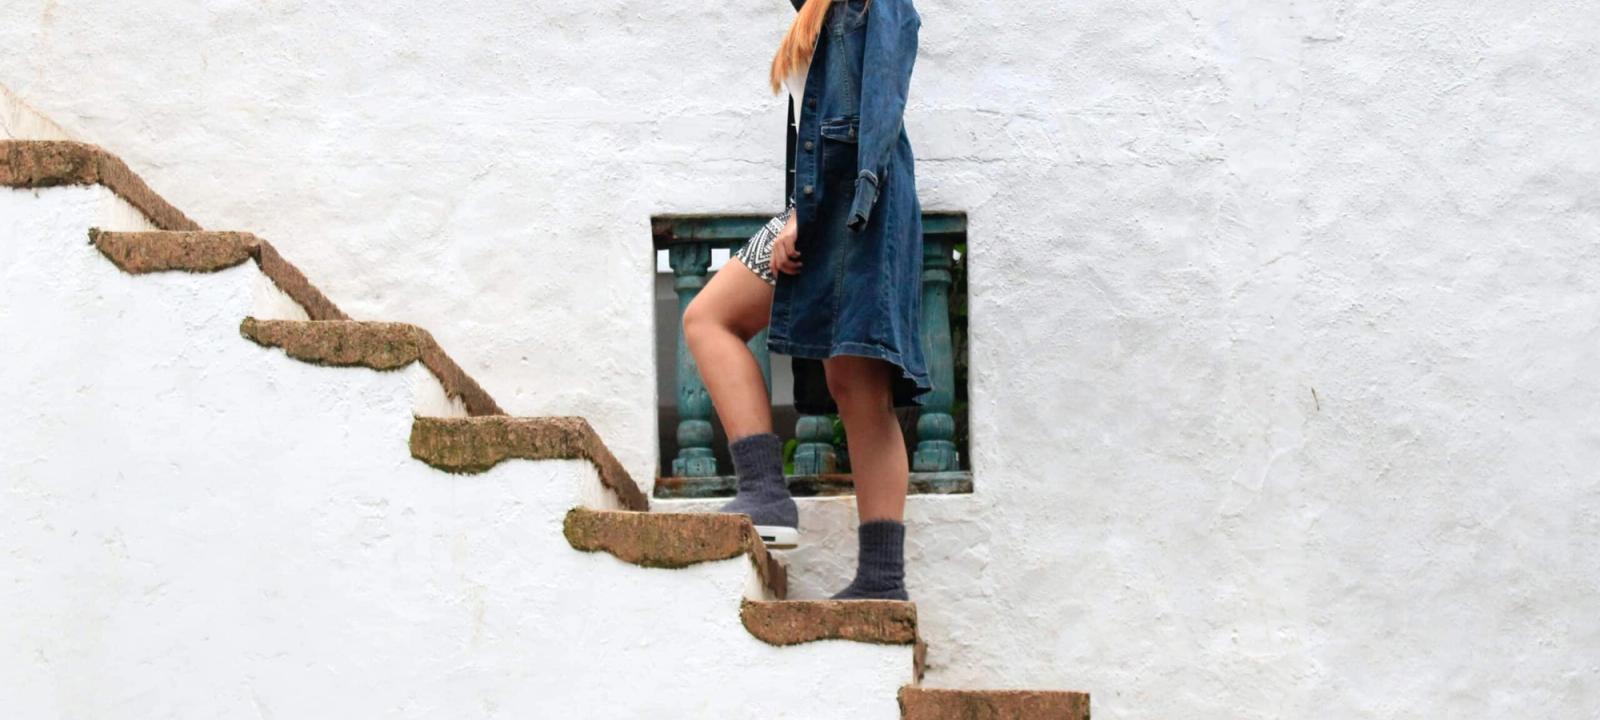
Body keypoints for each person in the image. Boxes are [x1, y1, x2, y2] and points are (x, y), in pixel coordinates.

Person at [681, 0, 927, 601]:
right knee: (710, 317)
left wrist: (825, 216)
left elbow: (881, 110)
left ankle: (880, 579)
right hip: (817, 209)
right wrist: (802, 214)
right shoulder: (813, 13)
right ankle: (764, 492)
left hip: (856, 210)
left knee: (857, 387)